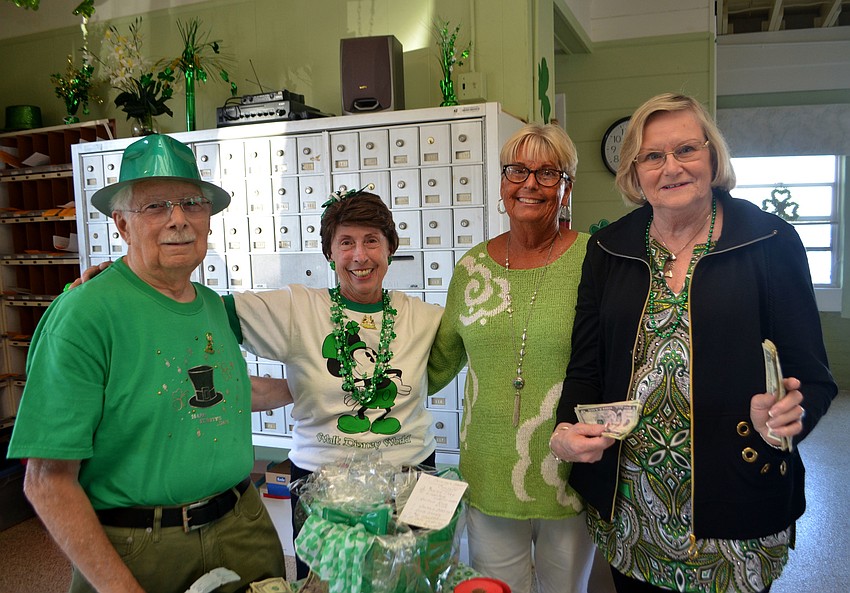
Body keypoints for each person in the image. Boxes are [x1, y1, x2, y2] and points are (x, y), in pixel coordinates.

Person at [551, 93, 838, 593]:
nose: (672, 167)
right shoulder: (607, 248)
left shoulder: (770, 240)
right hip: (632, 506)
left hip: (738, 504)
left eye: (687, 149)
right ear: (635, 172)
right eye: (653, 156)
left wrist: (793, 414)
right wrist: (564, 430)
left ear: (713, 156)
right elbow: (585, 367)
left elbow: (812, 377)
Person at [7, 134, 287, 593]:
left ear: (209, 221)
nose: (179, 220)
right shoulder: (85, 314)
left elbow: (219, 393)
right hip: (139, 547)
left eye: (192, 203)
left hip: (244, 527)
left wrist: (312, 384)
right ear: (122, 226)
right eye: (155, 207)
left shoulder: (214, 306)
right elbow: (47, 482)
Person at [224, 188, 444, 579]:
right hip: (321, 484)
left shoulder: (425, 317)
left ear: (390, 248)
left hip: (411, 477)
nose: (360, 256)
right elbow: (207, 309)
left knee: (410, 582)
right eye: (346, 243)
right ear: (329, 254)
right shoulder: (298, 309)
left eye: (371, 241)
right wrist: (130, 284)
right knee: (324, 585)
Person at [428, 123, 596, 593]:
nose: (529, 184)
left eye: (547, 173)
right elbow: (439, 360)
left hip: (568, 471)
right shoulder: (471, 268)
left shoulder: (593, 261)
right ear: (502, 182)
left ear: (567, 188)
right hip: (489, 469)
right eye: (517, 170)